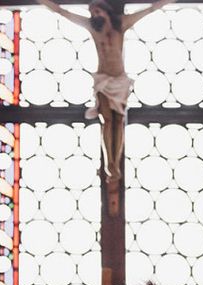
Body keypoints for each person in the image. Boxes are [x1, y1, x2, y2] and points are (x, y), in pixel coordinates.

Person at [35, 0, 175, 181]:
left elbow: (150, 9)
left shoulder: (122, 24)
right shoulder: (93, 28)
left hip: (120, 80)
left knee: (119, 121)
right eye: (92, 13)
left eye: (97, 11)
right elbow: (62, 12)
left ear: (105, 10)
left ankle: (116, 162)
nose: (94, 15)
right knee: (106, 121)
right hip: (103, 80)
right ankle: (109, 164)